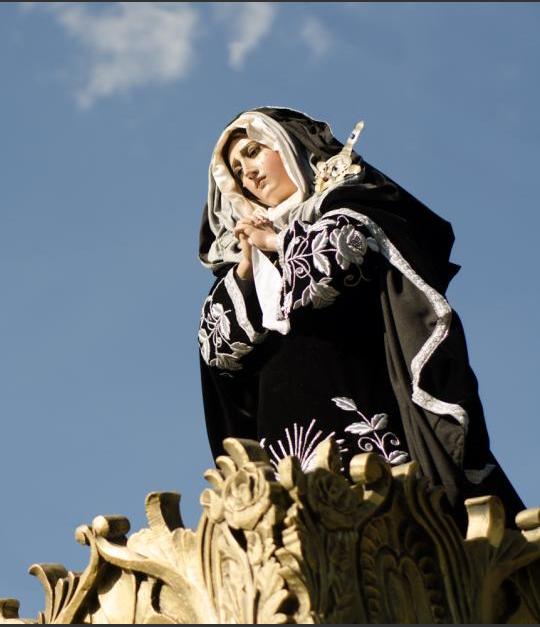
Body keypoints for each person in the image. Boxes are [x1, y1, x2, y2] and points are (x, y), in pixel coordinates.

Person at [197, 107, 524, 521]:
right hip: (282, 428)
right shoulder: (243, 261)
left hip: (361, 398)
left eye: (254, 152)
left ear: (289, 148)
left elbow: (338, 260)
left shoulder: (350, 204)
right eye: (239, 170)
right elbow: (218, 351)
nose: (250, 174)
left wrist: (279, 242)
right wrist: (247, 265)